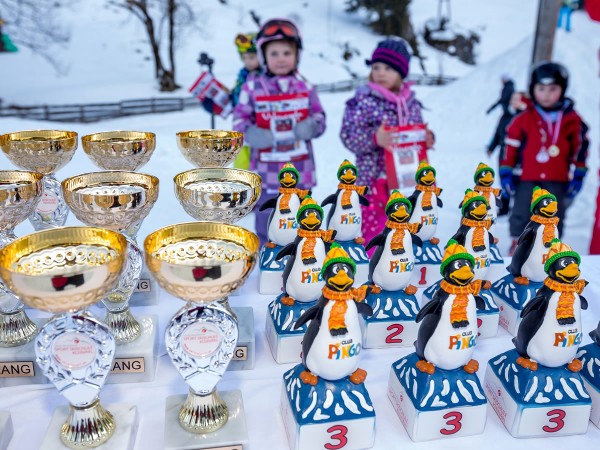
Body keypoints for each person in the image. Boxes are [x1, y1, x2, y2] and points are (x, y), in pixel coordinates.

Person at [233, 18, 326, 245]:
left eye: (287, 52)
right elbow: (238, 121)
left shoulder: (305, 87)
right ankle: (269, 260)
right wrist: (251, 133)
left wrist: (312, 125)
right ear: (263, 56)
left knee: (303, 222)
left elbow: (320, 118)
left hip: (301, 174)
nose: (281, 58)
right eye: (274, 53)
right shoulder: (252, 87)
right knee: (268, 221)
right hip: (266, 175)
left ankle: (304, 259)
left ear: (297, 56)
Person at [339, 37, 434, 245]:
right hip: (373, 181)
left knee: (405, 227)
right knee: (375, 233)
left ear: (401, 72)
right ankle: (374, 269)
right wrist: (375, 138)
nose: (381, 72)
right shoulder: (363, 101)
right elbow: (348, 134)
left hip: (406, 180)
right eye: (376, 67)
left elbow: (417, 131)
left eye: (389, 68)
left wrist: (426, 139)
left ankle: (401, 266)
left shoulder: (411, 103)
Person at [500, 61, 588, 254]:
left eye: (552, 89)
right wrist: (506, 172)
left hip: (557, 178)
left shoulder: (572, 119)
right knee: (521, 211)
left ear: (562, 89)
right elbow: (510, 148)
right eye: (541, 89)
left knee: (554, 214)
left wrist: (579, 174)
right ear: (533, 89)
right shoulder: (523, 118)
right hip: (527, 176)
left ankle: (549, 246)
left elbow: (580, 149)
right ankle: (519, 243)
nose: (546, 95)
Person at [230, 32, 261, 107]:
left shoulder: (266, 76)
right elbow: (236, 101)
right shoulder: (243, 75)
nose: (247, 61)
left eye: (251, 57)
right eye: (244, 58)